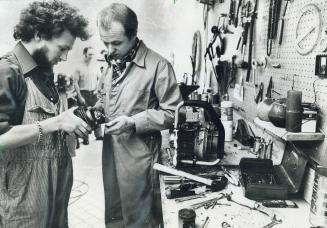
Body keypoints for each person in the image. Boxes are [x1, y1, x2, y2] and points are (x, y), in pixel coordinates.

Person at [0, 1, 91, 227]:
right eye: (62, 48)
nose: (65, 57)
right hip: (24, 207)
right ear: (39, 34)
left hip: (54, 202)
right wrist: (56, 122)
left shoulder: (43, 73)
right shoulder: (8, 72)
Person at [97, 3, 183, 228]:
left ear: (134, 35)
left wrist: (133, 121)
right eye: (104, 42)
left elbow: (174, 112)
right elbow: (105, 100)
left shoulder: (159, 66)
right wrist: (94, 112)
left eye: (116, 43)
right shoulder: (111, 64)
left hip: (140, 158)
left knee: (140, 220)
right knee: (115, 216)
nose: (109, 49)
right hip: (111, 153)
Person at [74, 46, 103, 144]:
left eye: (93, 54)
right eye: (90, 54)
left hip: (93, 93)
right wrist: (79, 96)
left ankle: (99, 135)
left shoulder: (95, 66)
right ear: (85, 54)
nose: (91, 56)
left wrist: (98, 90)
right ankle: (85, 138)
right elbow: (75, 83)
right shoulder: (78, 67)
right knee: (84, 116)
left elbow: (100, 79)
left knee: (97, 113)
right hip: (83, 94)